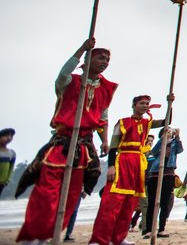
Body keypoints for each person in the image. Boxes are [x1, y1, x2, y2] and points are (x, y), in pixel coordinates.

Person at [17, 38, 118, 245]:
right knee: (46, 193)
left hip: (83, 148)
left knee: (72, 196)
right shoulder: (70, 82)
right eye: (101, 57)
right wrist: (82, 49)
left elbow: (103, 116)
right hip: (61, 145)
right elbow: (63, 74)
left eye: (107, 59)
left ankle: (47, 237)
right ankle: (32, 235)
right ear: (87, 60)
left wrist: (104, 140)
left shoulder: (105, 89)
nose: (105, 61)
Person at [91, 95, 165, 245]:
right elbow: (113, 147)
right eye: (142, 103)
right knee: (111, 203)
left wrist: (170, 103)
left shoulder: (147, 123)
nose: (145, 106)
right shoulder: (122, 123)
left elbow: (166, 121)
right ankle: (99, 239)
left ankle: (119, 237)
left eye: (147, 104)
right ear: (134, 105)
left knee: (129, 204)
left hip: (138, 165)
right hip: (123, 162)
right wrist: (111, 166)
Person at [145, 126, 184, 236]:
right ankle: (149, 229)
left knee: (164, 203)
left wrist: (177, 137)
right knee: (152, 203)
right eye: (167, 131)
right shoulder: (160, 143)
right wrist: (163, 139)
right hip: (155, 174)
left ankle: (161, 228)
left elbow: (180, 150)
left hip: (168, 173)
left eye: (170, 131)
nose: (169, 133)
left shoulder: (174, 143)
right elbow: (153, 152)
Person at [0, 127, 15, 198]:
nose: (9, 138)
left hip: (2, 182)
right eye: (6, 136)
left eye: (11, 136)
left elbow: (11, 168)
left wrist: (7, 180)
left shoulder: (12, 153)